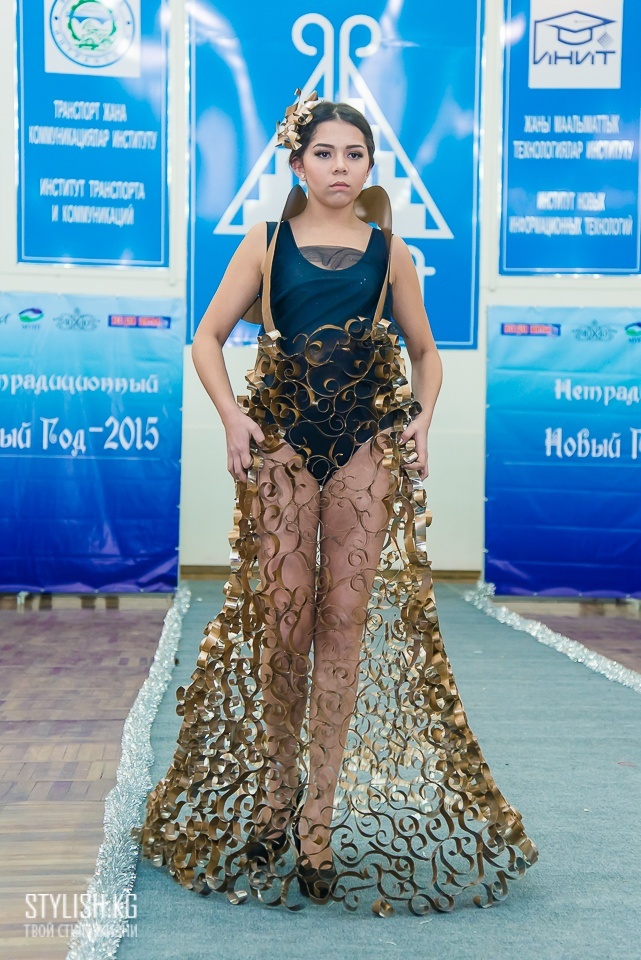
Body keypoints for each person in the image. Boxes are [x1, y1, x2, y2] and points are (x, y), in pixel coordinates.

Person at [136, 90, 537, 915]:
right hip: (283, 449)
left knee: (344, 623)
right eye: (324, 153)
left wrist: (422, 417)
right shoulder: (264, 241)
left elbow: (424, 351)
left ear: (370, 165)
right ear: (297, 163)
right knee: (286, 628)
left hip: (364, 451)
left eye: (354, 154)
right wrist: (233, 417)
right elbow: (206, 338)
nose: (340, 167)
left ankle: (317, 819)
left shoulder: (390, 253)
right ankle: (273, 797)